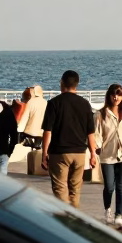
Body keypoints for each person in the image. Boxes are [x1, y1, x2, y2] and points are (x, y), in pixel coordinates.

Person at [40, 70, 99, 207]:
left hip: (59, 153)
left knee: (60, 188)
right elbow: (90, 132)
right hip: (79, 153)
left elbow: (47, 131)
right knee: (75, 190)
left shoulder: (54, 103)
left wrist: (44, 154)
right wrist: (93, 154)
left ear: (62, 83)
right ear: (76, 85)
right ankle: (74, 217)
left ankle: (66, 217)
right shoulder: (85, 104)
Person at [95, 84, 122, 229]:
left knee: (121, 186)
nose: (116, 97)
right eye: (113, 94)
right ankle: (107, 209)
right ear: (108, 96)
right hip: (107, 155)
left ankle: (119, 215)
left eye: (119, 94)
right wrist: (96, 149)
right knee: (109, 186)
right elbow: (97, 135)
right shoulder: (100, 114)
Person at [20, 85, 47, 150]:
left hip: (29, 132)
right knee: (37, 148)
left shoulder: (31, 102)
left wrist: (19, 129)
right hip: (41, 133)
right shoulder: (46, 102)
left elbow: (25, 118)